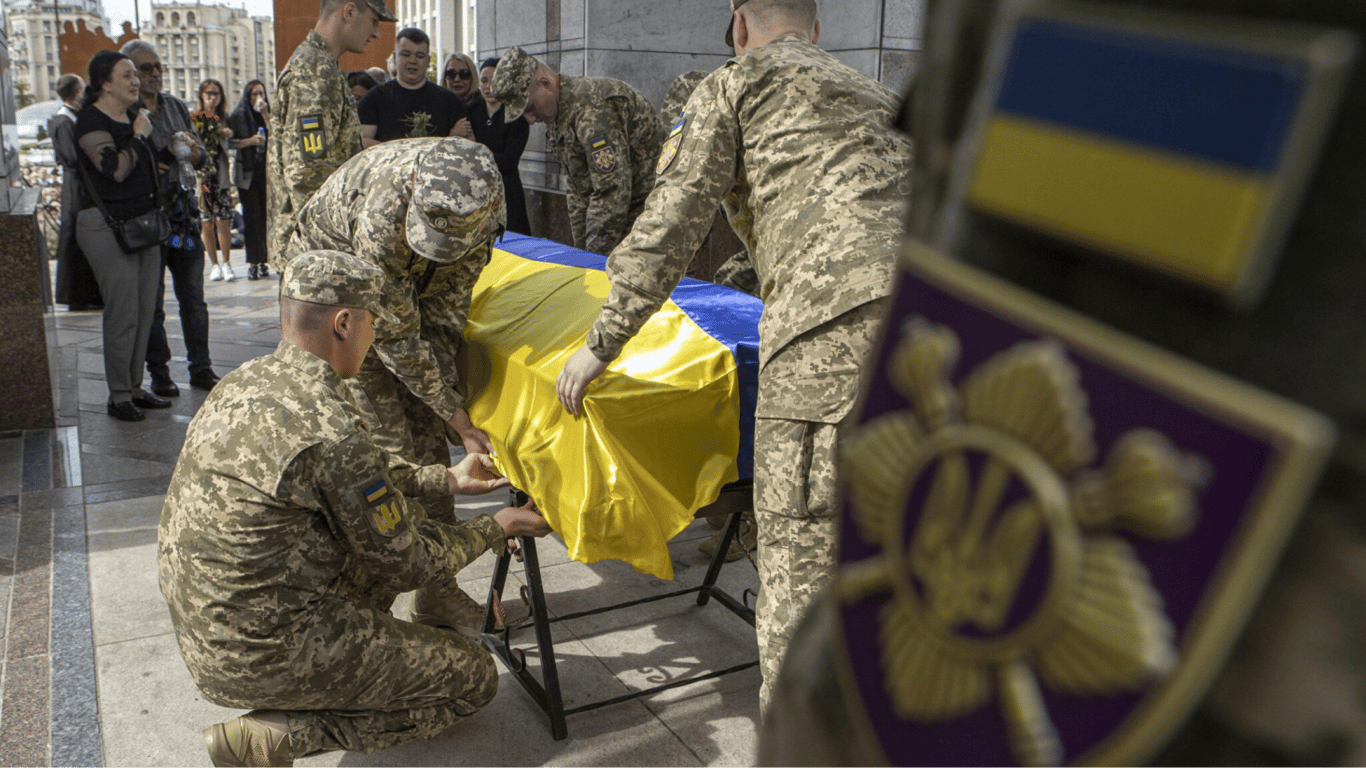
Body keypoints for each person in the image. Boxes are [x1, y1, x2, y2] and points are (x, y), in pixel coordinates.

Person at [554, 0, 912, 713]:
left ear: (739, 24)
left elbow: (672, 217)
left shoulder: (735, 83)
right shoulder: (878, 96)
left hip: (829, 350)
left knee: (802, 582)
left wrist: (602, 343)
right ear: (816, 31)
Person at [159, 249, 552, 768]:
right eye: (372, 324)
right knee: (472, 680)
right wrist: (495, 526)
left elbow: (353, 476)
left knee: (375, 543)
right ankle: (277, 737)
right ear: (344, 323)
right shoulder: (329, 426)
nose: (374, 339)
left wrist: (447, 479)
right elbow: (410, 561)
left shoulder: (247, 381)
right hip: (262, 649)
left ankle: (344, 669)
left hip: (211, 628)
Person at [283, 138, 506, 636]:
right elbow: (395, 335)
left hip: (389, 299)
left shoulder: (485, 197)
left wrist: (446, 405)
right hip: (334, 300)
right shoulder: (384, 214)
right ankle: (366, 605)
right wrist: (456, 414)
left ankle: (435, 593)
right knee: (388, 456)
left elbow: (445, 315)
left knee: (427, 439)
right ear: (412, 195)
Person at [72, 51, 173, 421]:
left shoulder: (134, 116)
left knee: (145, 312)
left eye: (136, 74)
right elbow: (113, 169)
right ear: (105, 83)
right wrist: (138, 138)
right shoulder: (90, 120)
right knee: (123, 313)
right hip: (106, 226)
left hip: (143, 223)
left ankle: (134, 387)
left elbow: (152, 162)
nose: (135, 81)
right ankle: (118, 396)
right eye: (127, 75)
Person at [490, 46, 663, 256]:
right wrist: (580, 252)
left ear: (544, 82)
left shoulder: (592, 110)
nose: (531, 120)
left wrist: (591, 258)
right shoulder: (557, 113)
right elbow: (577, 189)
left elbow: (612, 191)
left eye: (530, 107)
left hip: (649, 214)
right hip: (619, 215)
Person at [121, 39, 222, 395]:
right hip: (149, 223)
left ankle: (201, 367)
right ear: (130, 73)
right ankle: (160, 374)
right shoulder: (125, 113)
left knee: (192, 296)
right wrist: (159, 157)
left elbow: (203, 157)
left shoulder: (176, 106)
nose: (153, 74)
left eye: (157, 67)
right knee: (152, 304)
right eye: (144, 68)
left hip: (182, 224)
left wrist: (195, 154)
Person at [267, 0, 394, 269]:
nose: (377, 33)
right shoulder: (314, 73)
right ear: (349, 12)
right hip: (316, 254)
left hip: (317, 247)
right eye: (373, 21)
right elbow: (308, 176)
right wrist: (334, 250)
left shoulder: (323, 66)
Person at [358, 28, 472, 147]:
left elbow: (470, 142)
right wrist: (401, 154)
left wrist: (451, 138)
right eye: (406, 54)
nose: (413, 61)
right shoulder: (374, 99)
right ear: (395, 58)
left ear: (428, 61)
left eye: (420, 55)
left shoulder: (449, 100)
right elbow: (362, 141)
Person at [50, 73, 104, 311]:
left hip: (79, 183)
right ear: (75, 93)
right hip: (75, 186)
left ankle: (87, 293)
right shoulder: (63, 121)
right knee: (74, 236)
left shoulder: (70, 118)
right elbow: (72, 157)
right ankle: (75, 294)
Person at [470, 56, 530, 235]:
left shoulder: (516, 118)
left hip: (506, 192)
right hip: (475, 191)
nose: (488, 87)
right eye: (484, 80)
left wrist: (476, 148)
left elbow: (509, 162)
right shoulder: (469, 111)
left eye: (494, 80)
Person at [226, 79, 271, 280]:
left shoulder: (266, 115)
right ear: (247, 96)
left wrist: (265, 114)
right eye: (254, 94)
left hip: (266, 173)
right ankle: (253, 262)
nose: (258, 98)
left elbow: (278, 135)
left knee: (266, 218)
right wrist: (249, 141)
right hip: (247, 174)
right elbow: (229, 143)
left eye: (261, 93)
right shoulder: (237, 116)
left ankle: (265, 260)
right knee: (252, 219)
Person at [193, 78, 236, 282]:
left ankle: (227, 262)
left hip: (220, 175)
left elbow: (232, 141)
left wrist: (226, 133)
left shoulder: (224, 118)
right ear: (202, 95)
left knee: (223, 220)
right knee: (206, 222)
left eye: (216, 94)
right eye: (208, 93)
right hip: (202, 177)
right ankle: (214, 264)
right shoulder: (194, 119)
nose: (212, 97)